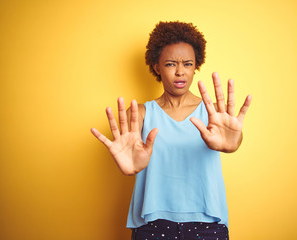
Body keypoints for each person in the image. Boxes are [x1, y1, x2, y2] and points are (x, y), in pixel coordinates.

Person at [91, 21, 252, 240]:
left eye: (187, 63)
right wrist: (131, 164)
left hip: (208, 226)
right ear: (156, 67)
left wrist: (234, 143)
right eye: (170, 64)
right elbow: (128, 148)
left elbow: (234, 137)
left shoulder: (214, 114)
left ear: (196, 66)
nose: (179, 72)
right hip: (153, 227)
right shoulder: (139, 114)